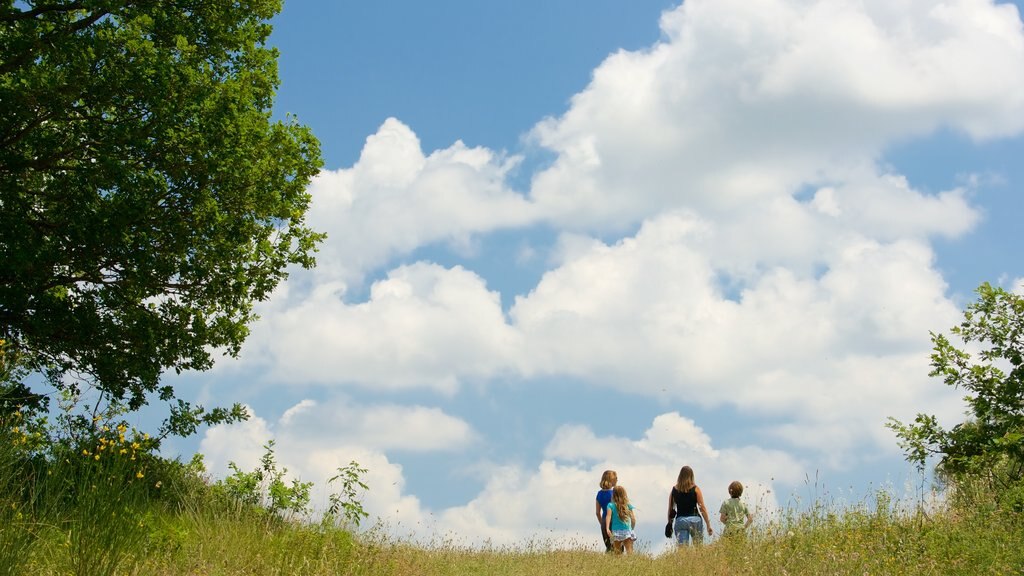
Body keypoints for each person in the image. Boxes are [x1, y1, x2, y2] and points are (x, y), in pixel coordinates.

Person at [667, 465, 713, 545]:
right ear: (691, 476)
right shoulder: (696, 489)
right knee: (698, 548)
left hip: (681, 520)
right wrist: (708, 525)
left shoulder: (674, 490)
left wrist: (669, 524)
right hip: (695, 520)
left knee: (683, 549)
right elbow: (702, 508)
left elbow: (670, 509)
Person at [604, 485, 637, 554]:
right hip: (627, 531)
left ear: (613, 494)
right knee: (630, 552)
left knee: (617, 554)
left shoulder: (610, 505)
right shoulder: (628, 505)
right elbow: (633, 519)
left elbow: (608, 516)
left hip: (615, 532)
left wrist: (607, 528)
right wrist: (632, 529)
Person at [594, 470, 617, 552]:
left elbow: (597, 513)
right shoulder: (614, 493)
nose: (617, 480)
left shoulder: (599, 494)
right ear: (611, 480)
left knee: (609, 546)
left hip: (604, 522)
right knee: (617, 547)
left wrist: (602, 524)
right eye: (615, 478)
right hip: (614, 522)